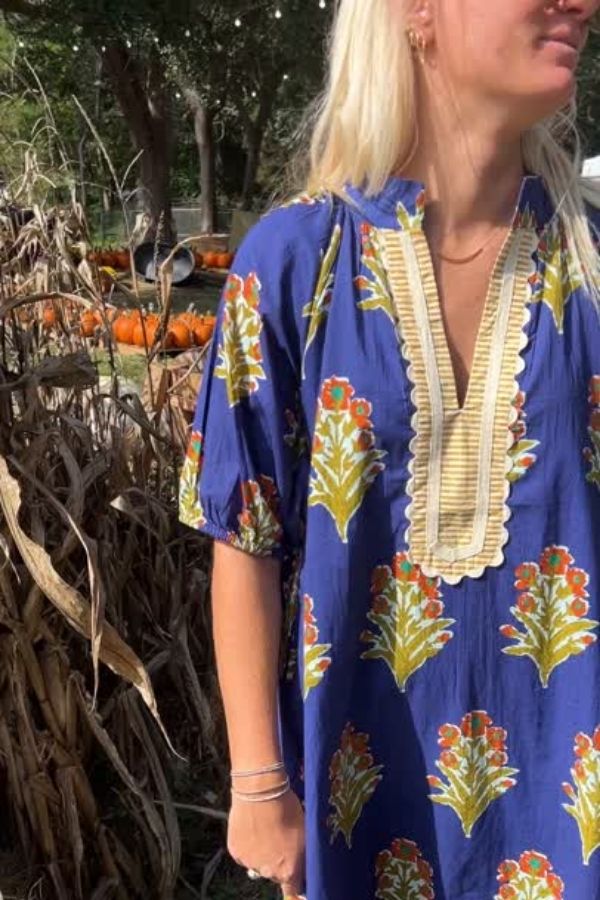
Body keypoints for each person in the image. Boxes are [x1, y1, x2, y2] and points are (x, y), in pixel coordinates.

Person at [178, 0, 600, 897]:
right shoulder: (296, 264)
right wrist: (259, 784)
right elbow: (245, 533)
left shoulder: (592, 268)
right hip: (358, 809)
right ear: (418, 12)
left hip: (574, 822)